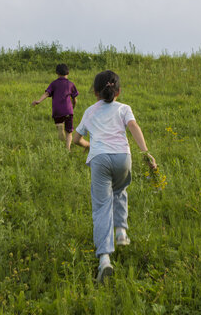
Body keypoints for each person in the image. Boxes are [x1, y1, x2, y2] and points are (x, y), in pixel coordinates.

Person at [72, 70, 157, 283]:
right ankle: (121, 231)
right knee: (120, 190)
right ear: (118, 91)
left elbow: (75, 139)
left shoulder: (90, 111)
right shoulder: (124, 108)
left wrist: (88, 144)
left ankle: (105, 260)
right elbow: (134, 127)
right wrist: (146, 152)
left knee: (101, 206)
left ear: (95, 92)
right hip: (123, 157)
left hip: (100, 159)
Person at [32, 64, 79, 150]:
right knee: (69, 132)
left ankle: (60, 128)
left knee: (59, 126)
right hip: (68, 110)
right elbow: (75, 99)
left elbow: (47, 93)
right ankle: (67, 149)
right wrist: (73, 107)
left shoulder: (54, 84)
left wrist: (38, 101)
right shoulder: (71, 84)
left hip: (57, 110)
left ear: (57, 72)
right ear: (68, 72)